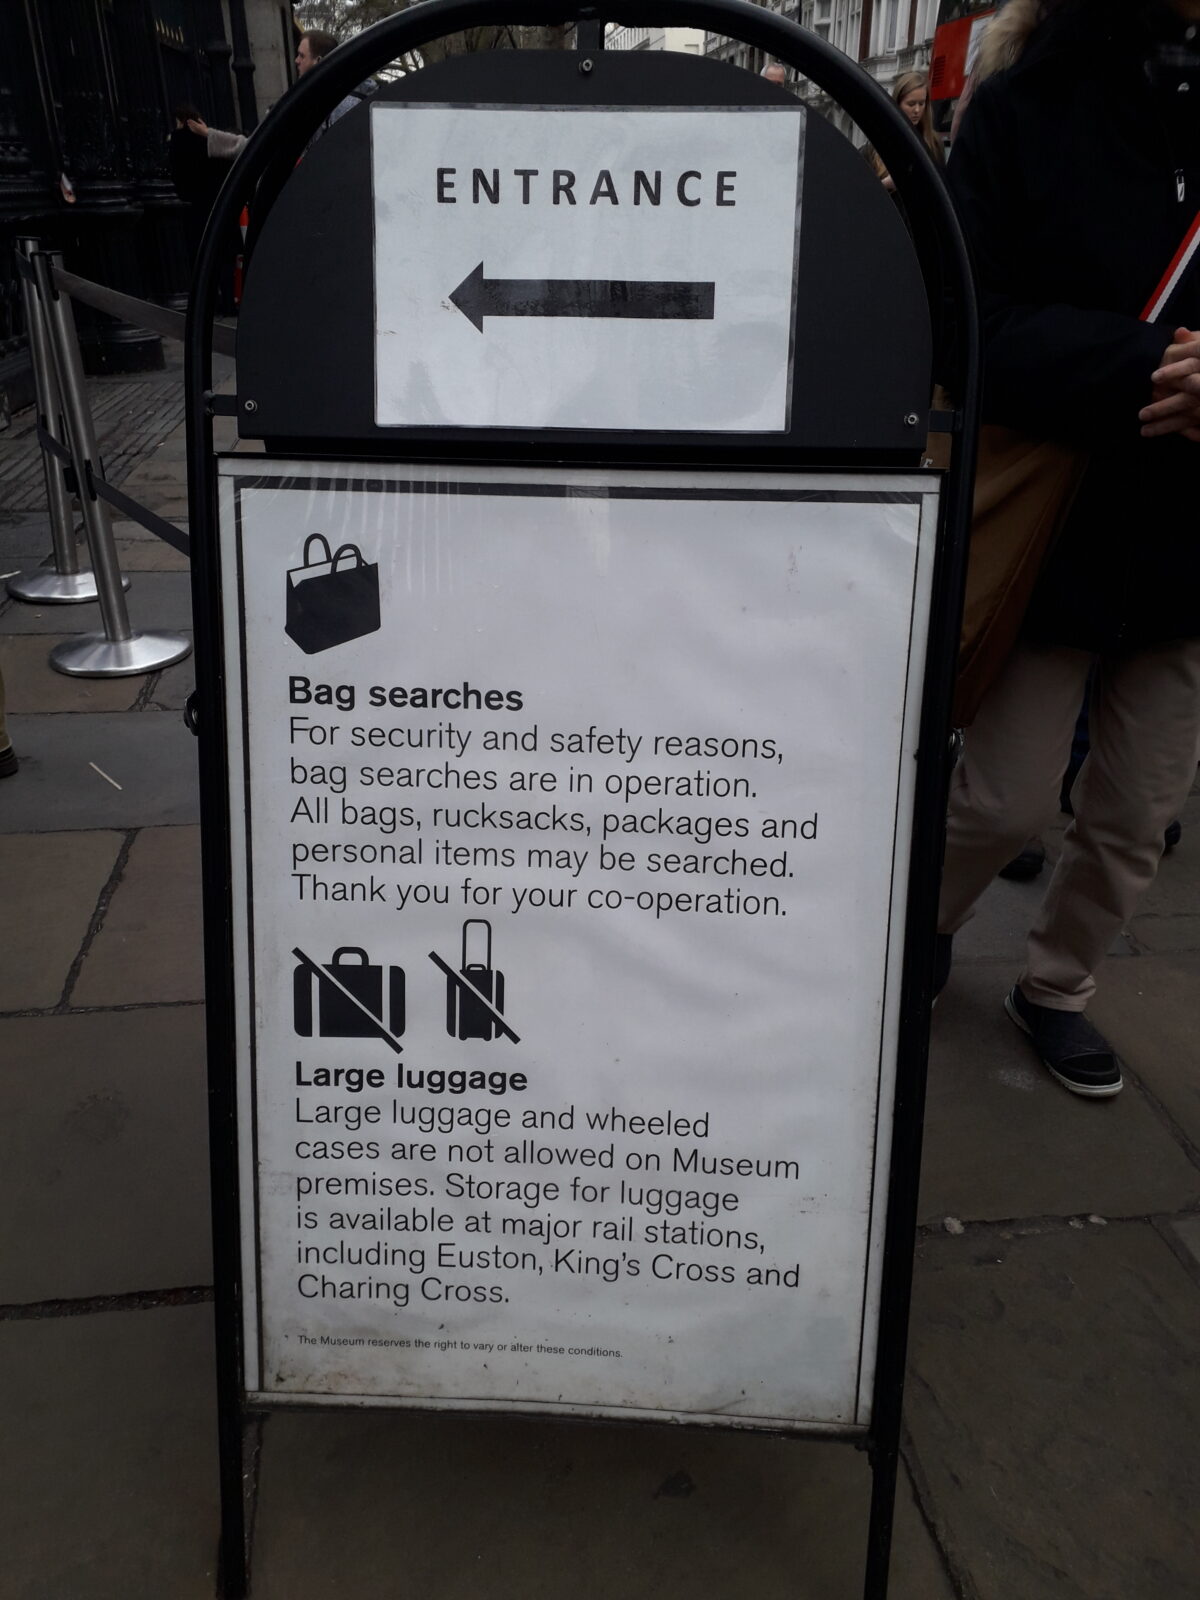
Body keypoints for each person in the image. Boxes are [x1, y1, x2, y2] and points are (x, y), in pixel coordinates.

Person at [936, 0, 1200, 1098]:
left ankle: (1058, 986)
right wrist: (1144, 368)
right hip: (1057, 521)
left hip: (1189, 540)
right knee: (1001, 801)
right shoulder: (1019, 109)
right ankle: (920, 929)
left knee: (1137, 809)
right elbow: (966, 323)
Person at [187, 30, 374, 156]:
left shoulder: (310, 103)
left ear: (319, 61)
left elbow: (259, 145)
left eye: (302, 55)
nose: (296, 60)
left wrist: (210, 135)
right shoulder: (354, 98)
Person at [866, 71, 943, 191]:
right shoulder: (875, 146)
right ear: (897, 104)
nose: (917, 110)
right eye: (911, 104)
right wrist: (886, 184)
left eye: (921, 103)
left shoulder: (934, 143)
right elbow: (861, 191)